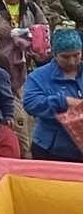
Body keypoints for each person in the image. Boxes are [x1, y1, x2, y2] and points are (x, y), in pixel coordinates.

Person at [21, 26, 83, 163]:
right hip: (51, 150)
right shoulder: (39, 76)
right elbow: (30, 103)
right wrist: (63, 102)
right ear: (54, 54)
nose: (72, 61)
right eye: (65, 57)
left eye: (76, 55)